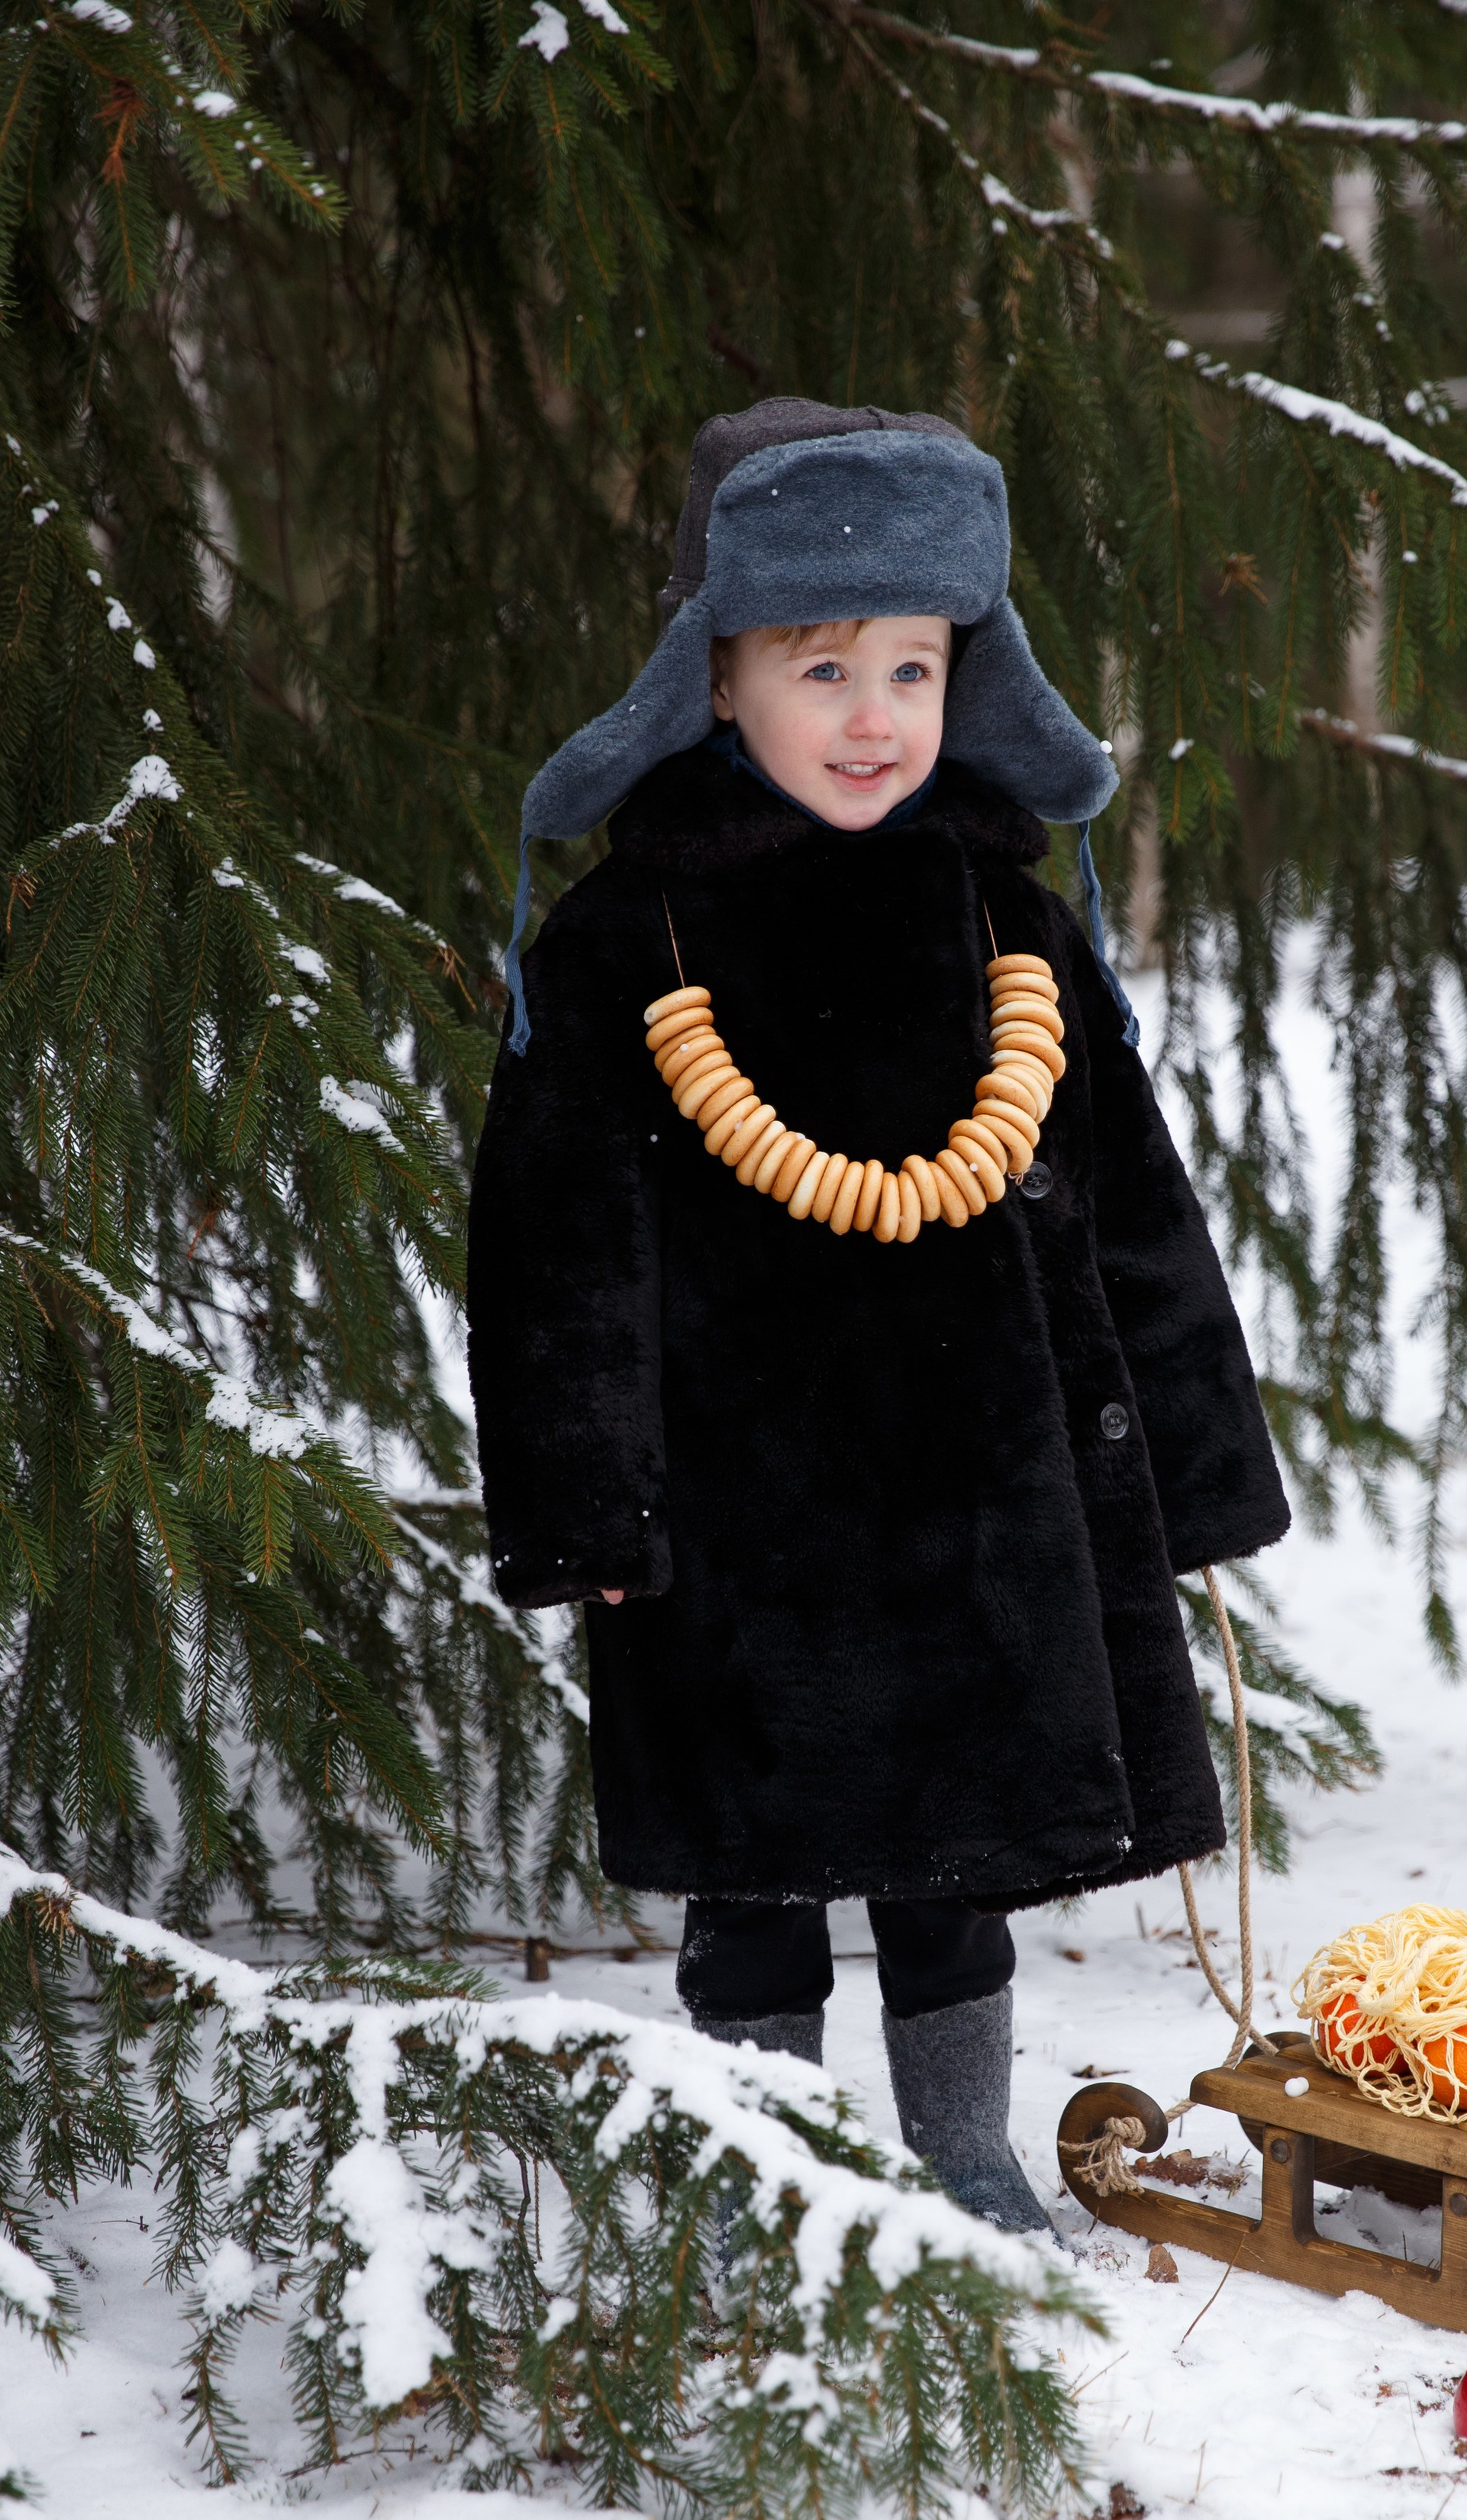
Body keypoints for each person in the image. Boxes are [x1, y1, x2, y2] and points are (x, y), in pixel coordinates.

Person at [466, 397, 1288, 2231]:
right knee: (751, 1872)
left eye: (909, 670)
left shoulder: (1007, 926)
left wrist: (1192, 1474)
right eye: (819, 667)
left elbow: (1132, 1215)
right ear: (714, 679)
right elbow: (553, 1253)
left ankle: (963, 2149)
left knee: (952, 1870)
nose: (869, 718)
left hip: (981, 1502)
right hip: (731, 1514)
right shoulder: (625, 947)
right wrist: (590, 1507)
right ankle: (766, 2167)